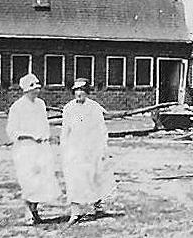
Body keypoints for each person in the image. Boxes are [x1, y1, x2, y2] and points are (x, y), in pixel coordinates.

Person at [6, 73, 60, 225]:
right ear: (25, 89)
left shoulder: (40, 104)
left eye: (37, 87)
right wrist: (30, 136)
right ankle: (28, 212)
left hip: (41, 148)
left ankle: (35, 210)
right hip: (25, 148)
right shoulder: (17, 107)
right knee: (28, 180)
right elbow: (12, 131)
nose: (36, 90)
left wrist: (46, 138)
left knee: (41, 181)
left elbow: (44, 125)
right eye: (33, 88)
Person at [61, 78, 115, 225]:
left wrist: (102, 148)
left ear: (87, 92)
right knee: (75, 179)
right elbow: (65, 131)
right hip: (75, 149)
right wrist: (64, 149)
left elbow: (101, 129)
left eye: (82, 90)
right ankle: (75, 212)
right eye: (76, 90)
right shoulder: (69, 108)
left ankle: (98, 207)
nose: (79, 93)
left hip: (92, 148)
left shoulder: (94, 107)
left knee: (96, 176)